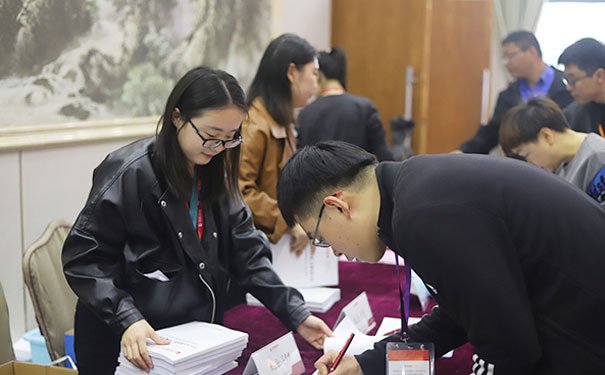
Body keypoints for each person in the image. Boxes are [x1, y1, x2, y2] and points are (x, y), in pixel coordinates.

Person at [62, 67, 331, 375]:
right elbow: (84, 259)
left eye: (229, 139)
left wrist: (296, 313)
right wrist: (128, 318)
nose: (218, 148)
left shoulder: (215, 171)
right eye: (211, 135)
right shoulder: (129, 173)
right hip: (130, 346)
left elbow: (249, 256)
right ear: (177, 117)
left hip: (192, 345)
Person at [277, 141, 605, 375]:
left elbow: (511, 348)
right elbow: (461, 314)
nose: (333, 251)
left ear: (337, 206)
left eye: (319, 237)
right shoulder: (411, 188)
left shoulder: (421, 216)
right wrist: (368, 364)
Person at [238, 33, 318, 255]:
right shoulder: (254, 123)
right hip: (253, 248)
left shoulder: (278, 119)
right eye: (313, 74)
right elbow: (240, 191)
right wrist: (286, 221)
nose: (316, 83)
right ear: (292, 72)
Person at [457, 30, 573, 154]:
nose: (506, 63)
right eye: (504, 58)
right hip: (522, 164)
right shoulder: (508, 95)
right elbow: (492, 133)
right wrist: (463, 153)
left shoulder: (568, 86)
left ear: (531, 52)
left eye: (510, 56)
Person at [500, 97, 605, 205]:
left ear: (547, 136)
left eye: (526, 154)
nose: (529, 162)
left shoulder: (599, 157)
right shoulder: (562, 165)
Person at [297, 47, 395, 161]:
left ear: (320, 76)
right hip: (359, 178)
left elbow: (299, 162)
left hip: (318, 178)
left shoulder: (305, 114)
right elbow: (385, 155)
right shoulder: (365, 108)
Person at [558, 38, 605, 135]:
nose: (568, 88)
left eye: (573, 81)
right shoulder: (571, 117)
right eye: (566, 81)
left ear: (599, 76)